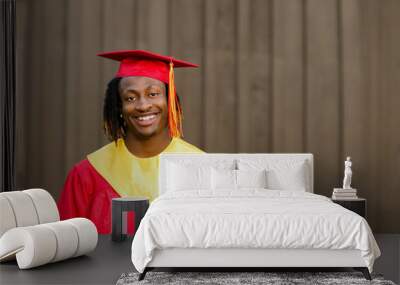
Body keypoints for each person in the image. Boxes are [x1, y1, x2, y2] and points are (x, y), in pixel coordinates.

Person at [57, 50, 204, 234]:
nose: (143, 106)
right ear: (119, 107)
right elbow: (67, 244)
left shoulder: (201, 169)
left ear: (170, 101)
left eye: (153, 94)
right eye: (130, 98)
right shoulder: (87, 175)